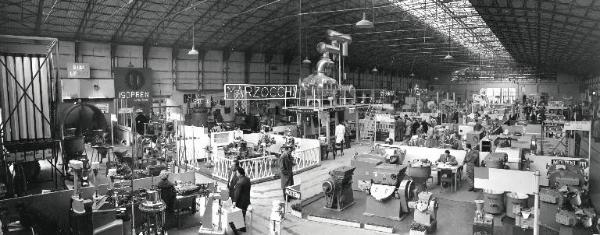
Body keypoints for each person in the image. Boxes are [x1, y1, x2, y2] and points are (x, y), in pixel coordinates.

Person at [233, 167, 251, 232]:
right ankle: (242, 228)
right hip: (246, 200)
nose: (236, 174)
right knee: (243, 214)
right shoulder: (247, 179)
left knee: (240, 215)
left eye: (237, 173)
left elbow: (237, 194)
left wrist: (234, 202)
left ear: (240, 174)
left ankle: (242, 228)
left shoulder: (239, 182)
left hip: (241, 202)